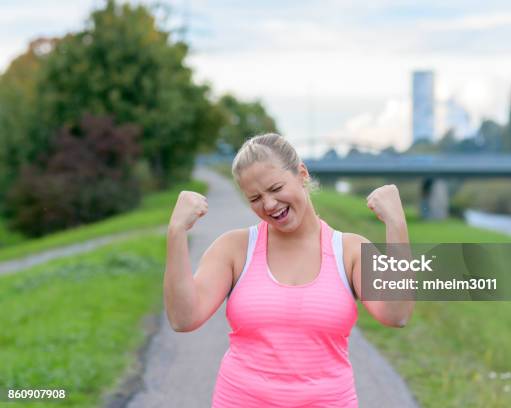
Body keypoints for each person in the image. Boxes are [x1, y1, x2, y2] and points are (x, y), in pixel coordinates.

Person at [164, 133, 414, 407]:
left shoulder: (350, 251)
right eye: (255, 198)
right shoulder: (234, 248)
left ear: (302, 174)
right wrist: (176, 232)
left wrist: (396, 225)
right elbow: (183, 319)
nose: (269, 204)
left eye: (275, 188)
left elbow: (396, 314)